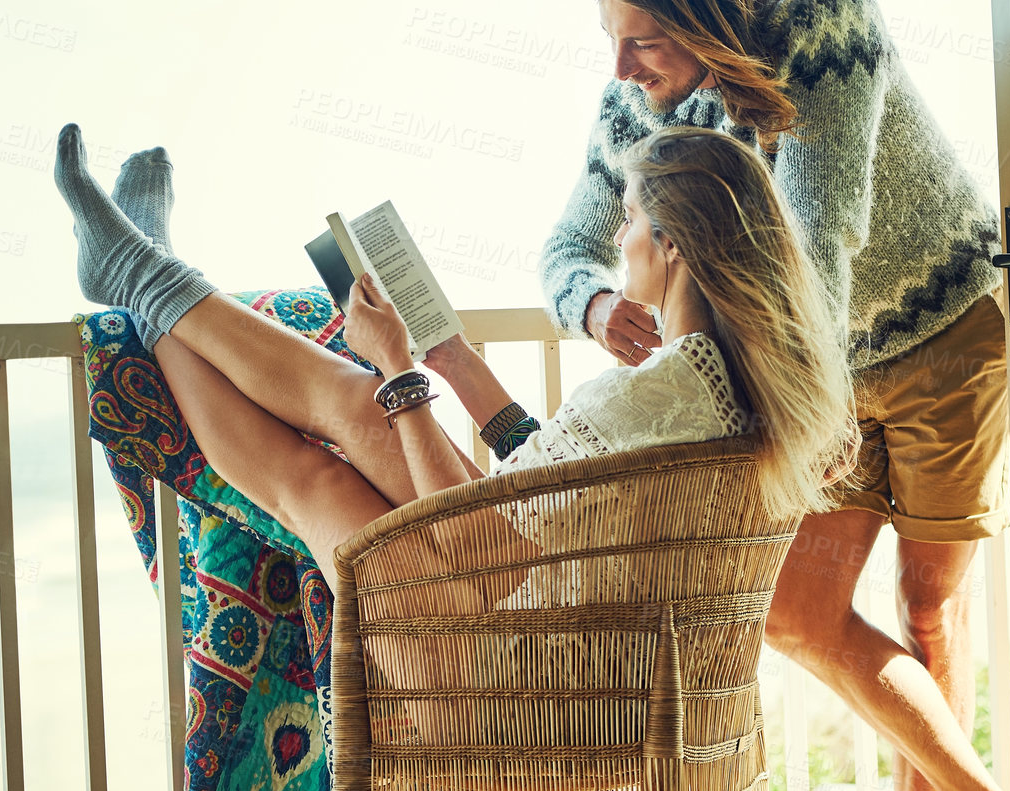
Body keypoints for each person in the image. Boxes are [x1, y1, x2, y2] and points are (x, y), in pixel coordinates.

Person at [540, 0, 1010, 791]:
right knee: (797, 613)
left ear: (705, 14)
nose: (624, 70)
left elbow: (821, 231)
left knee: (928, 609)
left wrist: (792, 403)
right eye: (612, 43)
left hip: (942, 335)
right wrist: (590, 304)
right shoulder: (636, 101)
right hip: (822, 372)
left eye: (644, 40)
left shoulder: (818, 11)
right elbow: (569, 241)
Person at [52, 121, 855, 601]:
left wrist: (403, 375)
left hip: (496, 667)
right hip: (577, 632)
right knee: (355, 418)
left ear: (672, 244)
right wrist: (459, 368)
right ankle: (147, 270)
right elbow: (554, 479)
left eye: (633, 218)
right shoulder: (727, 385)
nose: (618, 238)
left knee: (315, 477)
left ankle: (139, 273)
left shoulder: (651, 392)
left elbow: (477, 545)